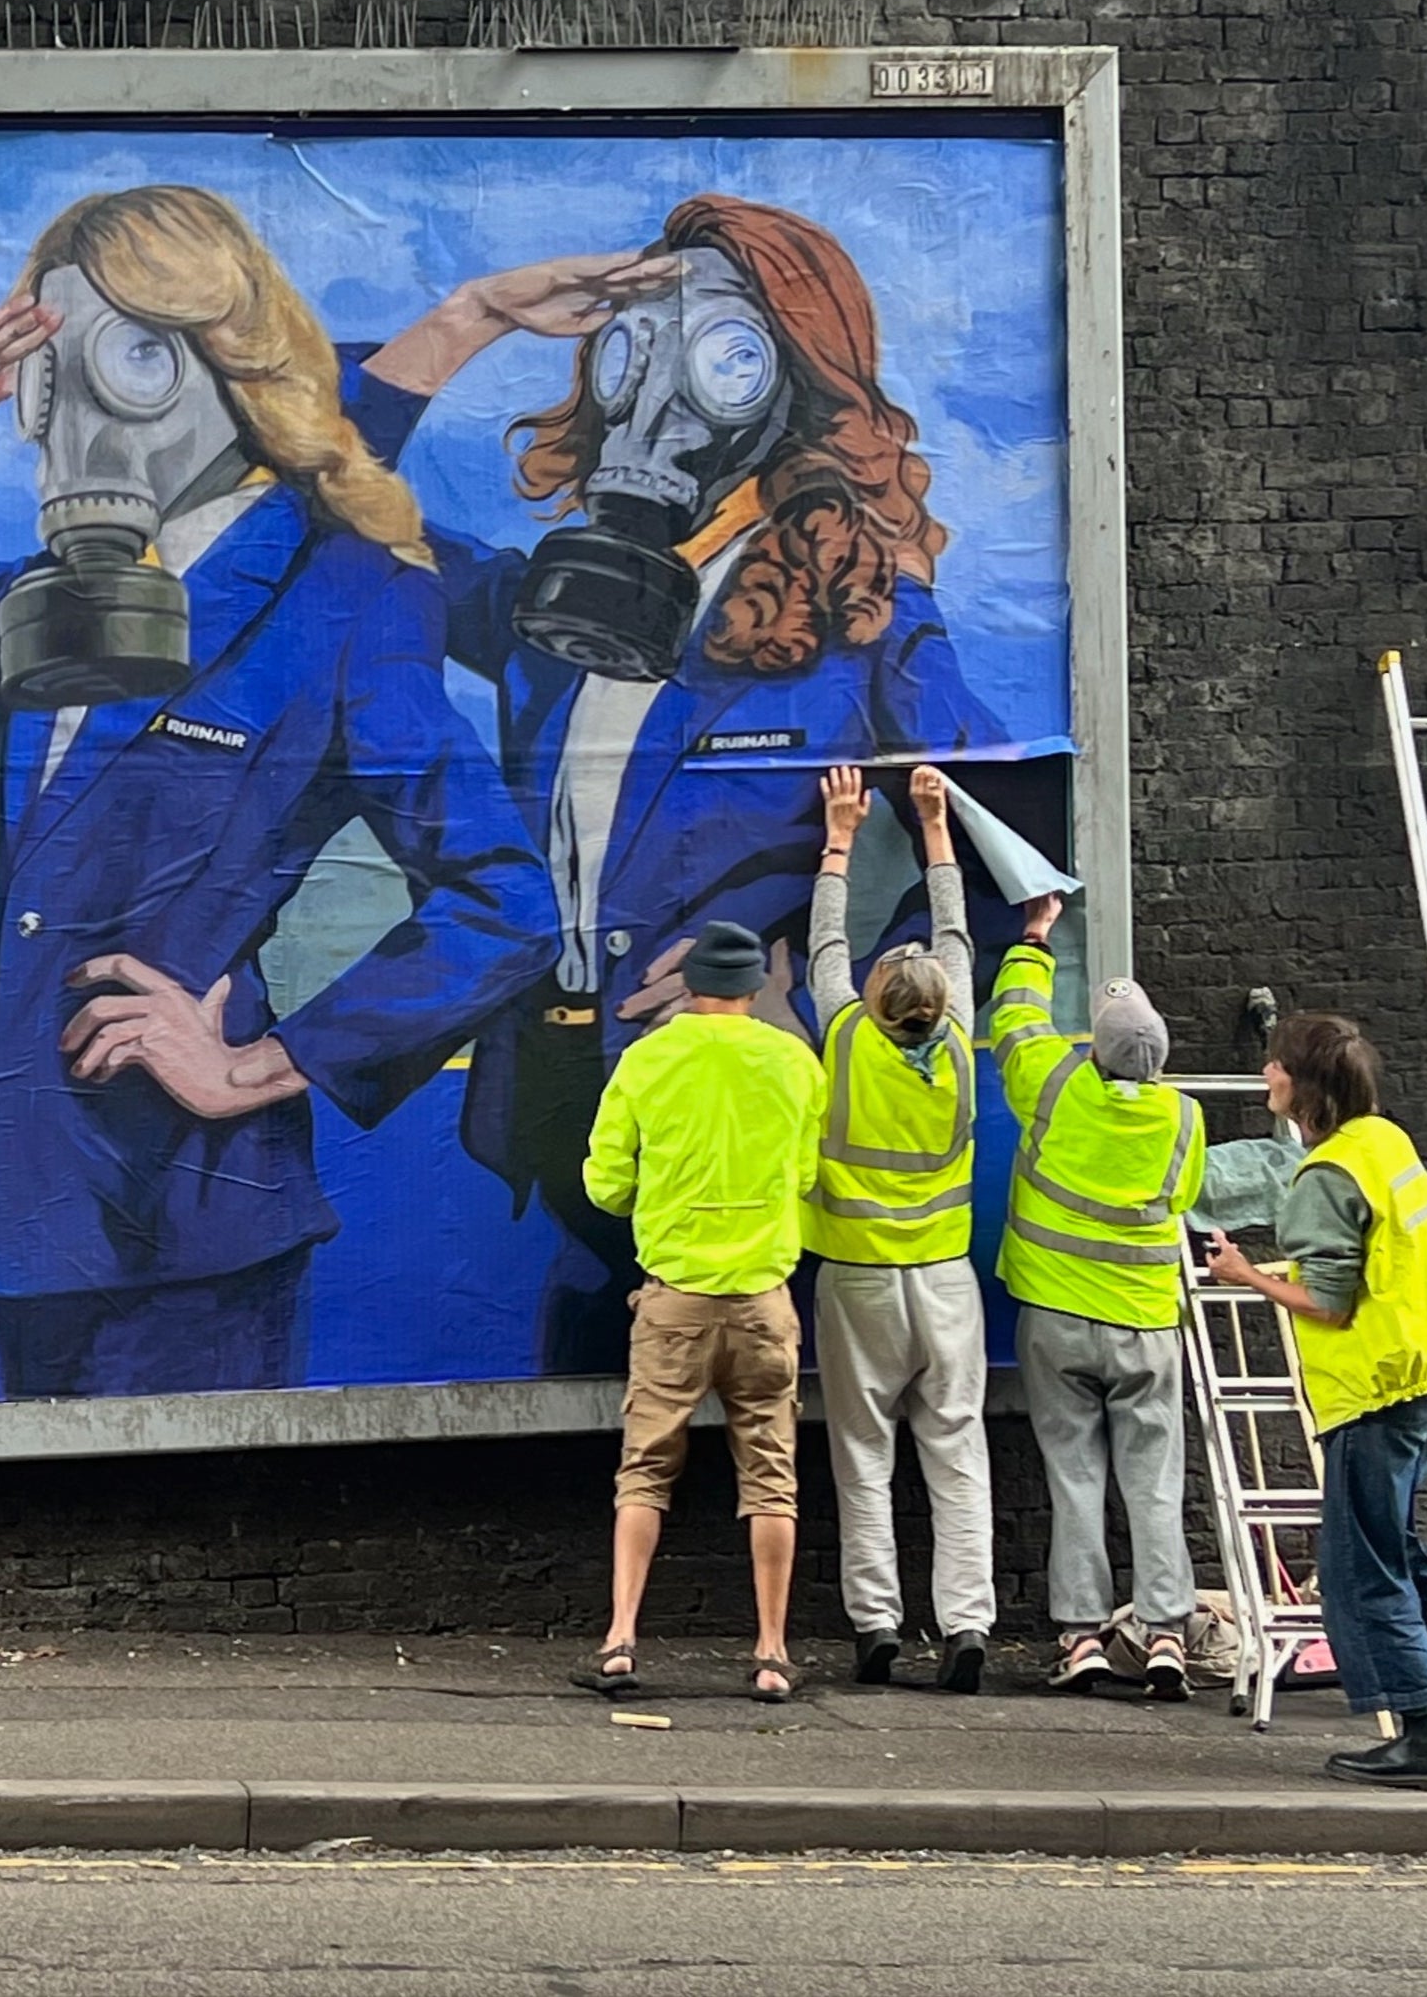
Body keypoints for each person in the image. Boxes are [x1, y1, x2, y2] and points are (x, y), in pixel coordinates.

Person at [0, 185, 557, 1400]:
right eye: (56, 367)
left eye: (131, 356)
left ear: (229, 359)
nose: (81, 409)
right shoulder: (40, 607)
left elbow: (501, 902)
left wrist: (260, 1063)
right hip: (30, 1213)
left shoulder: (341, 600)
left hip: (192, 1225)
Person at [345, 197, 1006, 1373]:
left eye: (724, 355)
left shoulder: (864, 621)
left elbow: (1012, 829)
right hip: (559, 1110)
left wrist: (831, 992)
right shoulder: (557, 607)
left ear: (790, 377)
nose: (663, 390)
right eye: (637, 344)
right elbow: (334, 514)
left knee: (755, 1430)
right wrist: (472, 315)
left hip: (747, 1124)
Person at [576, 919, 826, 1703]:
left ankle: (620, 1639)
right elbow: (806, 1174)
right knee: (771, 1479)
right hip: (761, 1299)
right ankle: (771, 1653)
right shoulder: (793, 1062)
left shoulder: (647, 1059)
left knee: (643, 1472)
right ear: (755, 987)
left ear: (690, 986)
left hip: (673, 1299)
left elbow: (605, 1187)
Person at [1206, 1015, 1427, 1788]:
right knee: (1394, 1545)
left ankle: (1421, 1734)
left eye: (1274, 1066)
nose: (1264, 1078)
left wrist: (1245, 1276)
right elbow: (1376, 1256)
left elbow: (1330, 1303)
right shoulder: (1383, 1142)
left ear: (1302, 1085)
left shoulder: (1322, 1175)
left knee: (1360, 1568)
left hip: (1372, 1388)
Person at [804, 763, 992, 1692]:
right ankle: (965, 1628)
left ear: (876, 1002)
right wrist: (935, 825)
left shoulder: (843, 1036)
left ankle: (876, 1624)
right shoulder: (957, 1041)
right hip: (946, 1281)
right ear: (939, 1002)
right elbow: (954, 931)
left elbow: (821, 947)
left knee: (862, 1454)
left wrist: (840, 834)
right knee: (956, 1456)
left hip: (858, 1280)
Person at [989, 899, 1204, 1697]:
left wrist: (1035, 938)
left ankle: (1080, 1637)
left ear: (1094, 1052)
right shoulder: (1183, 1118)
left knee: (1072, 1476)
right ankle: (1164, 1636)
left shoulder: (1053, 1085)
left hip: (1053, 1319)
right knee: (1153, 1483)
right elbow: (1183, 1196)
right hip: (1145, 1328)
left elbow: (1013, 1019)